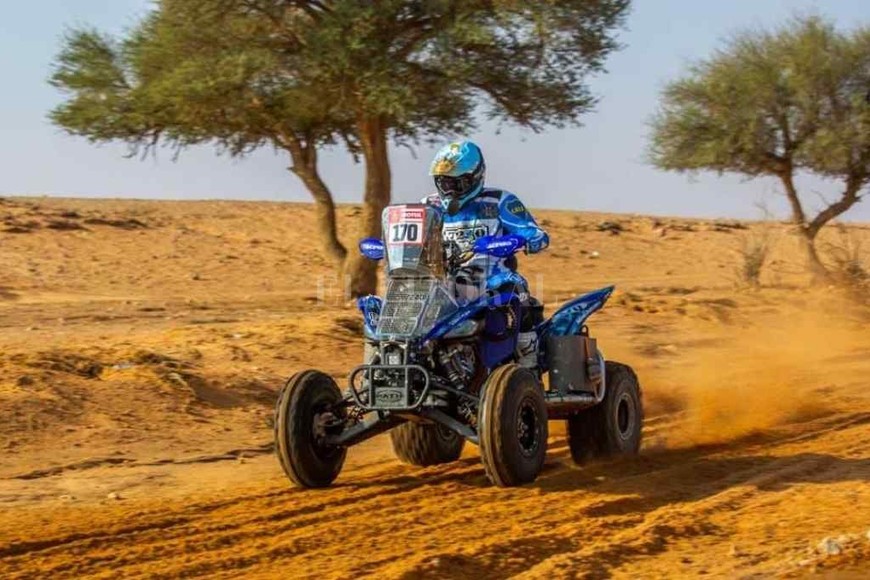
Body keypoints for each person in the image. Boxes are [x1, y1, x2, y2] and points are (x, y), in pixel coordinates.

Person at [424, 140, 549, 368]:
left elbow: (538, 235)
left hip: (491, 280)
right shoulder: (428, 206)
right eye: (444, 182)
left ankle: (528, 353)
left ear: (476, 177)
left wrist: (516, 240)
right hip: (444, 281)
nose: (449, 190)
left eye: (457, 183)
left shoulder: (500, 201)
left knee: (515, 286)